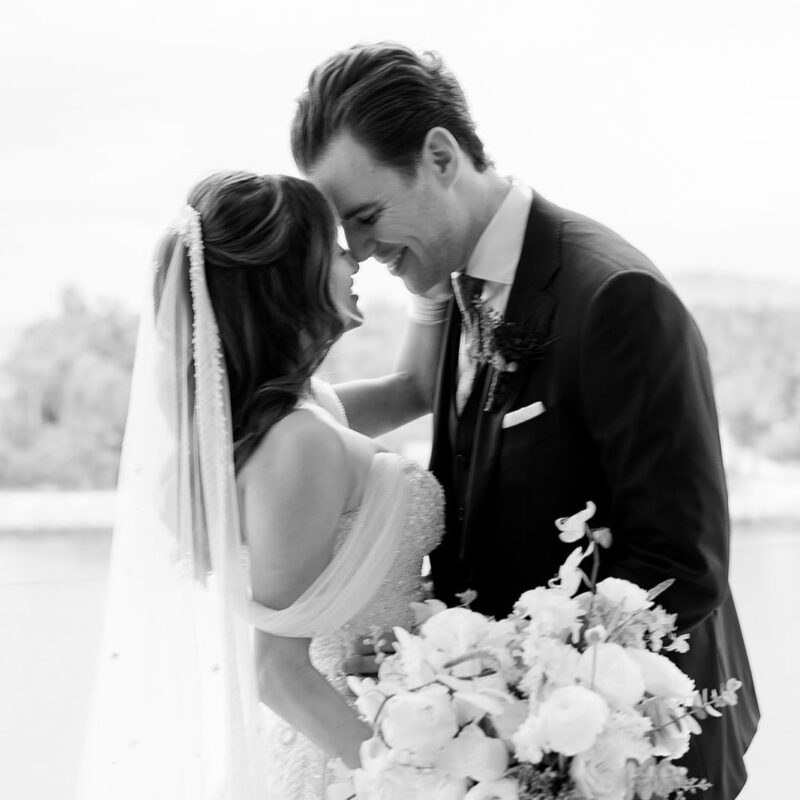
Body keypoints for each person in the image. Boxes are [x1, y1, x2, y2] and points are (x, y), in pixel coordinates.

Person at [292, 42, 760, 799]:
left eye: (366, 215)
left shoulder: (616, 297)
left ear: (440, 156)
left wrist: (522, 694)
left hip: (635, 756)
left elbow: (683, 561)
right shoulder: (458, 290)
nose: (359, 249)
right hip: (512, 758)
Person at [77, 172, 447, 799]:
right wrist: (425, 785)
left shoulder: (301, 414)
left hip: (370, 716)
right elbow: (276, 672)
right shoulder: (294, 445)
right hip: (347, 757)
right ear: (288, 278)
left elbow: (414, 388)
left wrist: (434, 284)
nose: (352, 255)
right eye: (331, 244)